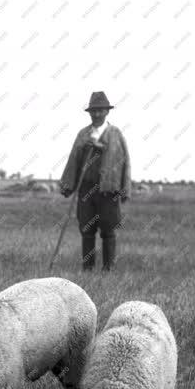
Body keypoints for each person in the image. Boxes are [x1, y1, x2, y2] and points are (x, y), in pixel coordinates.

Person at [59, 92, 131, 271]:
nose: (97, 114)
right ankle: (88, 269)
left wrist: (125, 190)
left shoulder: (116, 134)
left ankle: (108, 270)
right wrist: (68, 185)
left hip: (109, 190)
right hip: (86, 189)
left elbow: (125, 162)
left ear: (107, 111)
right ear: (89, 113)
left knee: (108, 230)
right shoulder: (83, 135)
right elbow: (73, 160)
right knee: (87, 230)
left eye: (100, 111)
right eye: (94, 111)